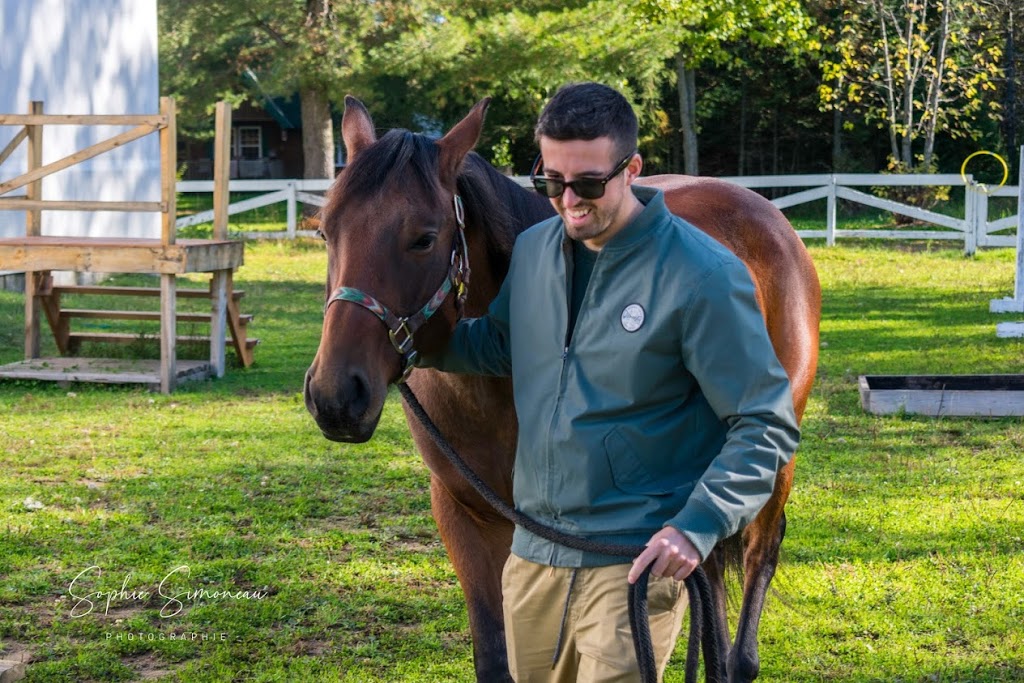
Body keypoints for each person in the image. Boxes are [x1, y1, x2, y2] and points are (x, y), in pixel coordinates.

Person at [419, 82, 799, 682]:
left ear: (632, 169)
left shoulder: (702, 276)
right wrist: (400, 335)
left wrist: (698, 527)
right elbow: (496, 344)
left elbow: (765, 423)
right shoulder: (537, 249)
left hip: (630, 565)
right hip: (532, 559)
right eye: (552, 182)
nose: (569, 202)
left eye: (589, 184)